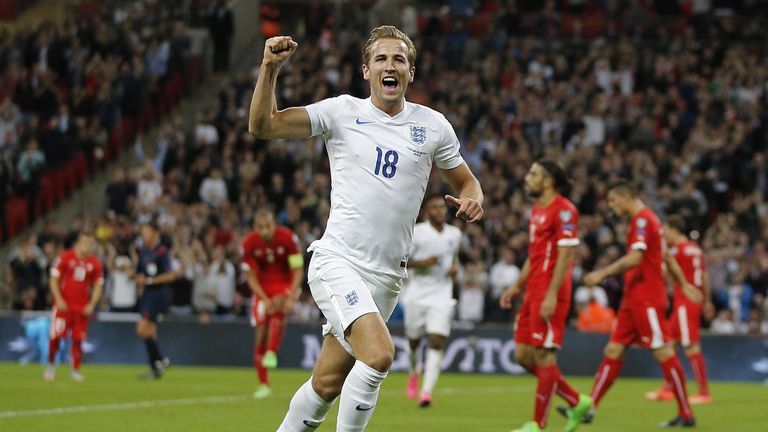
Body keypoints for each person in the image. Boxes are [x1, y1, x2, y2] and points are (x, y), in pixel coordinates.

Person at [249, 26, 483, 431]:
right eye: (381, 59)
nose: (390, 66)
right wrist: (269, 69)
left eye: (399, 60)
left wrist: (472, 196)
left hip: (388, 277)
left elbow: (466, 180)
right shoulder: (341, 112)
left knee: (326, 382)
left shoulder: (433, 126)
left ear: (411, 71)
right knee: (378, 356)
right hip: (338, 260)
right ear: (365, 70)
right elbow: (264, 126)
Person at [573, 181, 696, 428]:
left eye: (613, 201)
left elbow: (636, 257)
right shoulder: (651, 221)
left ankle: (686, 414)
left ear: (625, 197)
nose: (611, 206)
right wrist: (684, 284)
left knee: (664, 352)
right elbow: (667, 257)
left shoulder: (642, 220)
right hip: (632, 299)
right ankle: (589, 408)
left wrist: (602, 273)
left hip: (647, 299)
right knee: (613, 351)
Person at [499, 160, 592, 432]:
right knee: (523, 356)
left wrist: (551, 294)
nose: (527, 178)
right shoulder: (537, 210)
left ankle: (538, 424)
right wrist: (517, 285)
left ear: (549, 181)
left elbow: (565, 255)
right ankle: (577, 401)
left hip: (551, 291)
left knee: (545, 357)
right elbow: (534, 254)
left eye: (534, 174)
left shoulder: (565, 211)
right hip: (532, 290)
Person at [645, 214, 714, 404]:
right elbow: (705, 277)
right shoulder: (696, 250)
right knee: (671, 345)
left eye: (666, 230)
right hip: (691, 300)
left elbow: (664, 272)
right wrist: (707, 301)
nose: (664, 234)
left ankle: (704, 392)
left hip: (685, 301)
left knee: (691, 346)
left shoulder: (678, 251)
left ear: (674, 229)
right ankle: (668, 389)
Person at [403, 194, 462, 407]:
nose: (441, 211)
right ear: (427, 212)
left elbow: (453, 258)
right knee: (414, 341)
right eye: (436, 207)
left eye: (443, 207)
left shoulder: (454, 234)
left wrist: (455, 270)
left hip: (442, 294)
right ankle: (413, 371)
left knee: (436, 341)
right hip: (417, 293)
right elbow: (403, 261)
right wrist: (423, 262)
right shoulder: (417, 232)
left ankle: (426, 392)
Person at [241, 210, 304, 399]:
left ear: (274, 224)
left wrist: (292, 295)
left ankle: (272, 351)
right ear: (255, 228)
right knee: (259, 336)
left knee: (279, 305)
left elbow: (298, 269)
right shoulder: (249, 244)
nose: (265, 231)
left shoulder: (287, 238)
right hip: (262, 289)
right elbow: (250, 277)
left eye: (268, 226)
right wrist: (263, 298)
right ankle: (263, 384)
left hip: (284, 285)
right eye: (260, 227)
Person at [45, 231, 103, 382]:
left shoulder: (95, 263)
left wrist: (92, 304)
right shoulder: (64, 258)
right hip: (63, 306)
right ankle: (51, 366)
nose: (88, 246)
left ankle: (75, 370)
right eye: (85, 242)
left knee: (78, 340)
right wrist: (58, 299)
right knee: (55, 337)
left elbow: (98, 286)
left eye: (90, 243)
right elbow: (53, 280)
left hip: (82, 308)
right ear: (77, 243)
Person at [134, 220, 177, 380]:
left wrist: (150, 281)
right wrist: (136, 277)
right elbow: (139, 273)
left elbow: (170, 275)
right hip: (147, 294)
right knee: (150, 332)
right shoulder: (144, 252)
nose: (143, 234)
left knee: (141, 329)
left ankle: (160, 359)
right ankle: (156, 367)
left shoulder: (161, 252)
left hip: (158, 294)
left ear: (155, 233)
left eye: (146, 231)